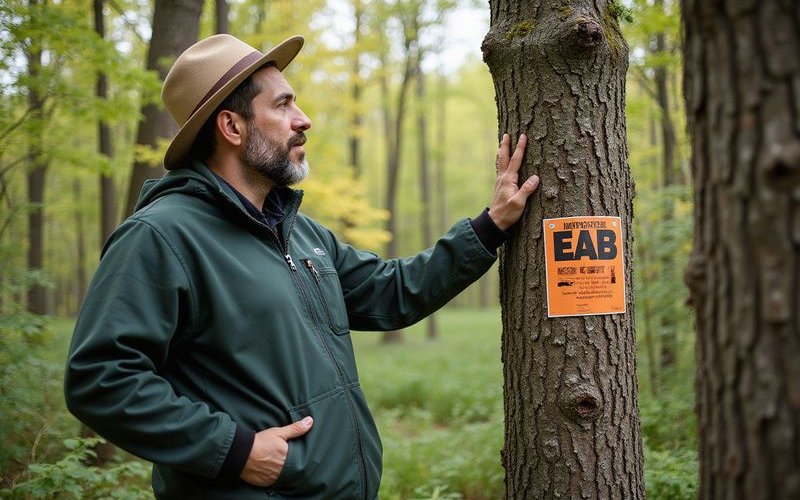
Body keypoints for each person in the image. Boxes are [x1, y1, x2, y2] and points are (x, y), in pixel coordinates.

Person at [64, 34, 540, 500]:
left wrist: (491, 225)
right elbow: (102, 378)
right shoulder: (161, 236)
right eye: (283, 105)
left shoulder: (301, 234)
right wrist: (236, 450)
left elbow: (392, 292)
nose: (303, 120)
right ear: (231, 127)